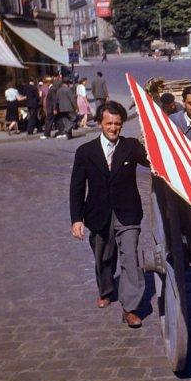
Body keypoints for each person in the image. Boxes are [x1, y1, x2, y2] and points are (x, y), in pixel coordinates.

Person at [69, 101, 150, 328]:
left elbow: (152, 161)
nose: (113, 128)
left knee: (130, 259)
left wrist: (151, 138)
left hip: (128, 213)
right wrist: (76, 219)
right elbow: (76, 187)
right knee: (103, 258)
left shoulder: (131, 146)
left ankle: (130, 308)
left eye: (117, 124)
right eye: (109, 123)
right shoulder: (85, 152)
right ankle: (105, 290)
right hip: (97, 213)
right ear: (99, 124)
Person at [41, 75, 61, 140]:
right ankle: (61, 132)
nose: (44, 84)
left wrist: (54, 108)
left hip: (51, 108)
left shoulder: (52, 89)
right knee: (57, 120)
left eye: (45, 83)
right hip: (52, 108)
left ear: (48, 82)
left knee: (48, 121)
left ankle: (46, 134)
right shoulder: (52, 88)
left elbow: (54, 99)